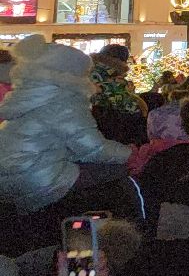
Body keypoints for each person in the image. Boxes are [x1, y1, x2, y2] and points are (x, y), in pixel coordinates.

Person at [0, 37, 134, 251]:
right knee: (121, 176)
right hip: (39, 178)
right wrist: (132, 155)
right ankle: (107, 244)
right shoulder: (63, 99)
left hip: (12, 177)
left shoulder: (26, 95)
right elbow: (94, 148)